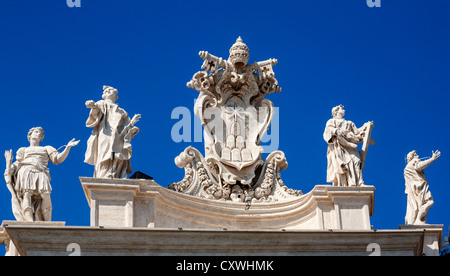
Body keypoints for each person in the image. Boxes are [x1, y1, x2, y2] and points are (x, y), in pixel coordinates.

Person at [4, 127, 79, 221]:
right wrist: (8, 163)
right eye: (36, 132)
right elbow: (15, 166)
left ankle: (47, 222)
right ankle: (29, 222)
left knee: (45, 194)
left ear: (41, 138)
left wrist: (67, 148)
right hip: (26, 171)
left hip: (41, 172)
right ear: (30, 135)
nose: (38, 134)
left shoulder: (46, 148)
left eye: (40, 133)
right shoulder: (23, 150)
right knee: (26, 194)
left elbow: (58, 159)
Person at [85, 86, 141, 179]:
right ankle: (104, 175)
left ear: (116, 96)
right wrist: (93, 106)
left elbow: (127, 125)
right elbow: (96, 113)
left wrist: (132, 125)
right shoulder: (101, 103)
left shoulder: (122, 111)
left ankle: (116, 174)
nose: (107, 91)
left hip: (119, 136)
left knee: (118, 155)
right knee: (105, 153)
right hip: (106, 133)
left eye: (110, 90)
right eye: (105, 91)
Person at [323, 105, 370, 187]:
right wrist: (336, 131)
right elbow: (328, 130)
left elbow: (357, 133)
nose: (344, 110)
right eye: (342, 109)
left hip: (350, 147)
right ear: (336, 112)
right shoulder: (331, 121)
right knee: (343, 166)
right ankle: (345, 184)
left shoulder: (349, 123)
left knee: (357, 161)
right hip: (339, 147)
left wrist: (366, 128)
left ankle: (359, 182)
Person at [404, 150, 440, 225]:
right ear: (412, 157)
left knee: (420, 204)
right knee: (429, 202)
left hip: (415, 187)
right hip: (419, 186)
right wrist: (432, 159)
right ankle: (418, 219)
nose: (418, 156)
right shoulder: (413, 162)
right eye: (416, 155)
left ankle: (417, 219)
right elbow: (419, 166)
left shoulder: (407, 168)